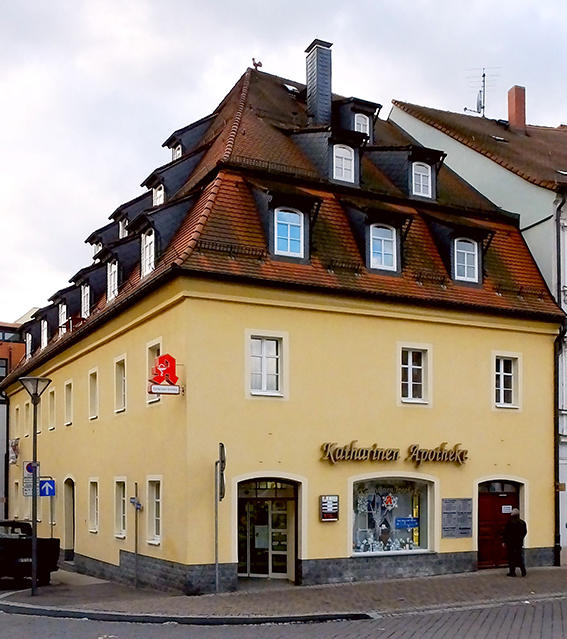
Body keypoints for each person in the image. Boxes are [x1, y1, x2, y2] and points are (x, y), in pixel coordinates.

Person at [502, 508, 527, 577]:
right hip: (519, 543)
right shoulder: (522, 522)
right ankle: (523, 571)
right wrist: (521, 538)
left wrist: (504, 541)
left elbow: (506, 533)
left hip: (511, 543)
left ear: (512, 514)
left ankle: (512, 572)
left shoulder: (510, 523)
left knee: (511, 558)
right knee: (519, 557)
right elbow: (525, 532)